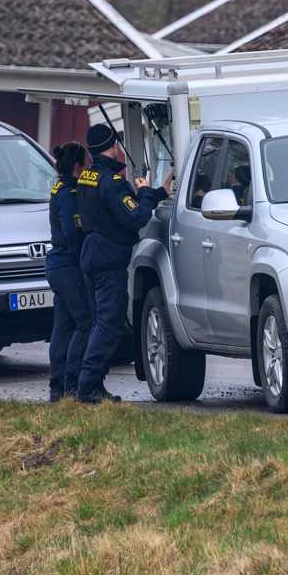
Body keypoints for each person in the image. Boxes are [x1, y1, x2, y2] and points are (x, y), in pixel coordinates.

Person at [74, 122, 173, 404]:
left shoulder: (88, 177)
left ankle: (92, 385)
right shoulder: (111, 182)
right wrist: (144, 193)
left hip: (92, 254)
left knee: (99, 323)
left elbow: (120, 207)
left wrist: (159, 193)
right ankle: (89, 386)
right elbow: (136, 217)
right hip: (108, 259)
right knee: (109, 324)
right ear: (114, 146)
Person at [45, 142, 92, 402]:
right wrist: (85, 261)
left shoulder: (62, 188)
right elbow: (73, 233)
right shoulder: (68, 193)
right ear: (78, 167)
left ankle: (58, 390)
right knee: (85, 321)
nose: (90, 169)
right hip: (67, 266)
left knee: (63, 327)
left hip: (59, 266)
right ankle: (71, 384)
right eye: (88, 164)